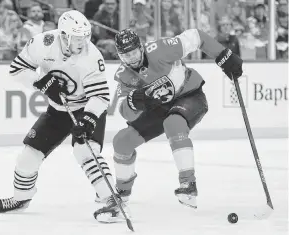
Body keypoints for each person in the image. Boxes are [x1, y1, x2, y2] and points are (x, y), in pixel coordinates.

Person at [93, 28, 243, 222]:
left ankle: (188, 185)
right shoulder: (124, 74)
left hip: (189, 96)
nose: (131, 58)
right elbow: (124, 111)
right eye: (125, 55)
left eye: (134, 52)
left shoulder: (161, 49)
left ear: (141, 47)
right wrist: (134, 101)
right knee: (122, 141)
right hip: (159, 108)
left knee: (174, 123)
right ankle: (121, 197)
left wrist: (223, 55)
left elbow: (196, 37)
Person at [0, 10, 119, 218]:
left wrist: (88, 120)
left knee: (85, 152)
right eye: (77, 37)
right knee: (28, 156)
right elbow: (17, 69)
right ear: (64, 35)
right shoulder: (42, 43)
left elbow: (101, 97)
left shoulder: (92, 56)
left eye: (85, 36)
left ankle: (111, 199)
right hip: (58, 111)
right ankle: (21, 198)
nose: (82, 42)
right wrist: (42, 83)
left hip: (86, 109)